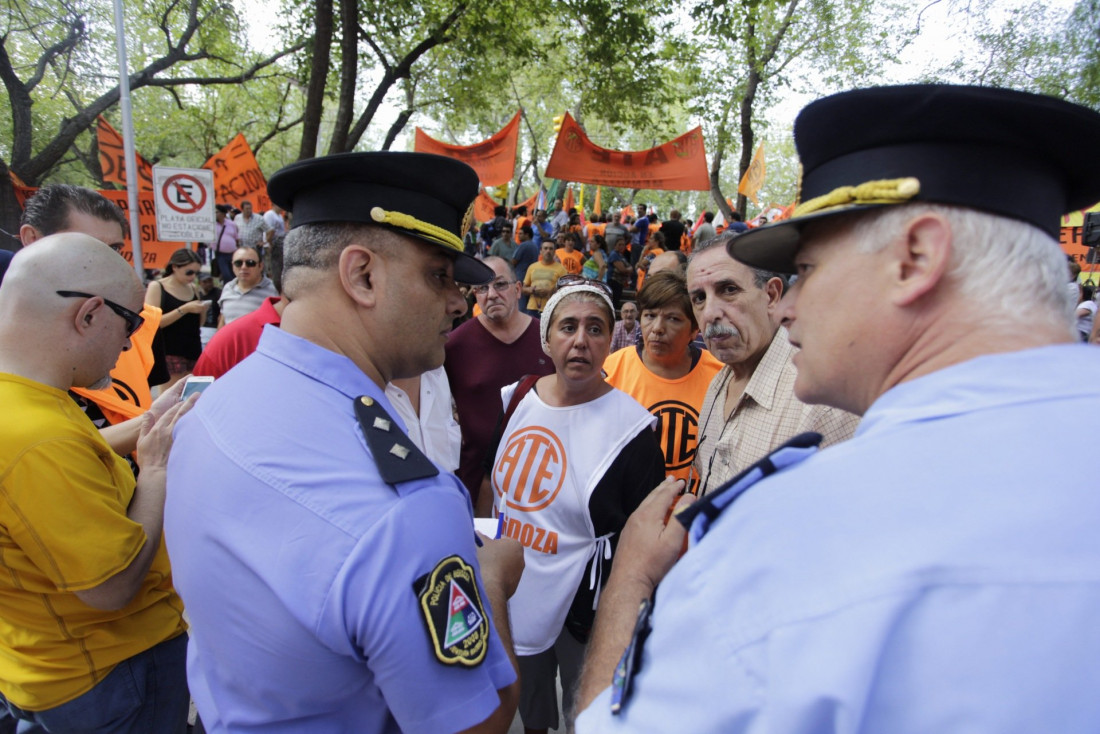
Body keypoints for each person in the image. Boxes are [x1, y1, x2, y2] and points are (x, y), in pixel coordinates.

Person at [575, 84, 1100, 732]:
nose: (788, 304)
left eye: (807, 269)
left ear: (915, 259)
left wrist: (628, 580)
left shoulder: (782, 542)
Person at [165, 151, 524, 733]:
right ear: (362, 276)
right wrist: (492, 585)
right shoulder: (409, 511)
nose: (458, 302)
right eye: (439, 275)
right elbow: (476, 725)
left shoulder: (215, 404)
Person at [0, 234, 192, 733]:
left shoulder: (26, 398)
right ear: (87, 315)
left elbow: (74, 461)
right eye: (129, 323)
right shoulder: (36, 438)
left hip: (48, 666)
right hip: (111, 673)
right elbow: (113, 586)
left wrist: (151, 420)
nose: (129, 342)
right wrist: (155, 469)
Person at [490, 278, 665, 734]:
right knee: (526, 703)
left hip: (586, 607)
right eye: (567, 327)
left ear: (611, 339)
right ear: (547, 338)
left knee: (582, 709)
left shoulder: (634, 433)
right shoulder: (517, 399)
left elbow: (643, 537)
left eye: (595, 328)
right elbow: (499, 491)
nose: (580, 341)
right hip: (514, 591)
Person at [687, 233, 859, 495]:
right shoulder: (718, 384)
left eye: (728, 290)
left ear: (771, 295)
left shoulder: (824, 401)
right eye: (699, 298)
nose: (709, 313)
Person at [15, 183, 167, 439]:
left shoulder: (142, 325)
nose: (107, 263)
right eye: (87, 246)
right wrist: (155, 421)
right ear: (32, 240)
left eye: (115, 250)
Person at [445, 256, 554, 512]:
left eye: (500, 285)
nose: (491, 294)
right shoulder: (455, 345)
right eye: (482, 288)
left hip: (541, 480)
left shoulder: (548, 340)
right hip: (473, 480)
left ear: (518, 290)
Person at [603, 271, 723, 495]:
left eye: (673, 319)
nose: (657, 328)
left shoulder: (720, 376)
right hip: (627, 511)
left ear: (694, 329)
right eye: (650, 315)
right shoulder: (613, 368)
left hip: (690, 511)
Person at [145, 248, 209, 388]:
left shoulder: (193, 288)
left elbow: (198, 324)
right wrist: (184, 309)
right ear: (174, 267)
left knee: (190, 397)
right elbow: (153, 323)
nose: (193, 276)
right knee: (170, 399)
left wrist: (201, 310)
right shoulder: (158, 286)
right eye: (189, 272)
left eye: (196, 273)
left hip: (192, 349)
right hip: (169, 351)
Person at [217, 245, 278, 326]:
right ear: (233, 266)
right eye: (238, 263)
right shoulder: (228, 288)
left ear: (260, 266)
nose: (244, 267)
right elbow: (222, 320)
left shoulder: (274, 289)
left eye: (250, 263)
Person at [524, 241, 568, 314]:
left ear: (554, 252)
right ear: (541, 251)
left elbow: (565, 290)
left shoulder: (561, 269)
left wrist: (550, 291)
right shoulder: (532, 267)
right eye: (545, 248)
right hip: (532, 308)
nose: (548, 251)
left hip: (551, 308)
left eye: (551, 249)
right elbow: (523, 289)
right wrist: (533, 290)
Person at [209, 204, 239, 284]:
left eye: (217, 212)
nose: (215, 214)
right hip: (220, 254)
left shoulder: (231, 224)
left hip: (232, 253)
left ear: (223, 214)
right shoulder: (212, 224)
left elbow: (236, 238)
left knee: (234, 274)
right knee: (226, 275)